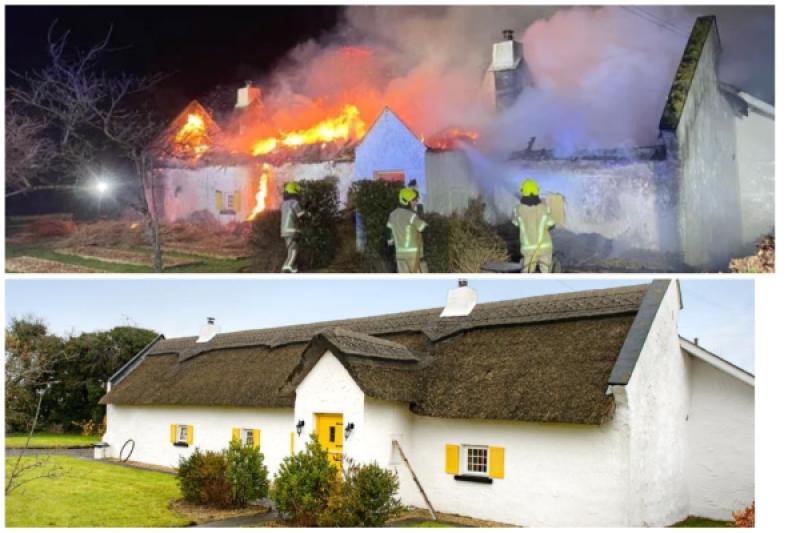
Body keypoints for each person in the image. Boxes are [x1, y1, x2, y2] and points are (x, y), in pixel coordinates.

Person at [512, 178, 556, 273]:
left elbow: (515, 224)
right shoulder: (544, 208)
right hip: (545, 248)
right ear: (537, 191)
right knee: (546, 273)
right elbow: (552, 224)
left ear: (523, 192)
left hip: (528, 250)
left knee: (527, 274)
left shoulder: (518, 210)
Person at [387, 187, 427, 273]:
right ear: (406, 201)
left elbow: (389, 238)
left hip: (400, 256)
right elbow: (423, 227)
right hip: (414, 256)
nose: (416, 202)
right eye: (413, 200)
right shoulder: (411, 215)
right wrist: (420, 213)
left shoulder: (392, 215)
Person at [281, 181, 306, 273]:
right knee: (294, 250)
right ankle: (286, 268)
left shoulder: (284, 204)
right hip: (293, 231)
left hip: (285, 231)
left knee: (290, 250)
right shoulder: (294, 202)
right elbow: (301, 215)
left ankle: (293, 270)